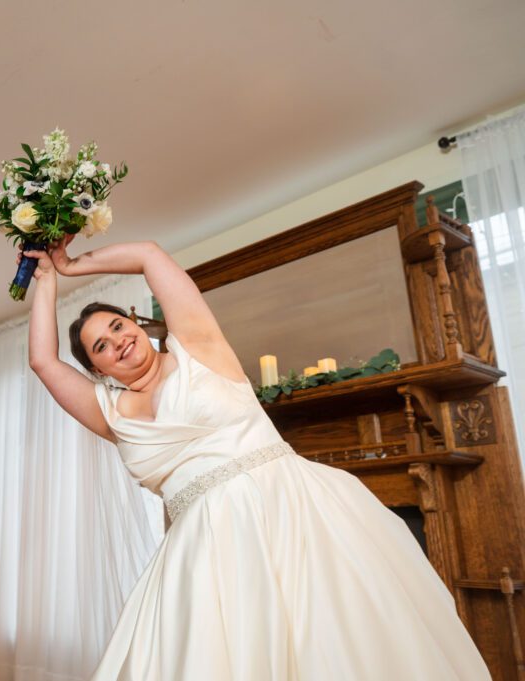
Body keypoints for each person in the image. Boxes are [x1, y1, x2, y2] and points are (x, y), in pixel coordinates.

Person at [24, 236, 490, 680]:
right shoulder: (110, 414)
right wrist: (46, 281)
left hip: (292, 514)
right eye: (100, 345)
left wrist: (70, 265)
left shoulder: (199, 350)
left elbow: (149, 255)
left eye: (118, 326)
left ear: (136, 325)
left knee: (328, 643)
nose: (118, 341)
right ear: (97, 370)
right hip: (202, 552)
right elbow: (44, 361)